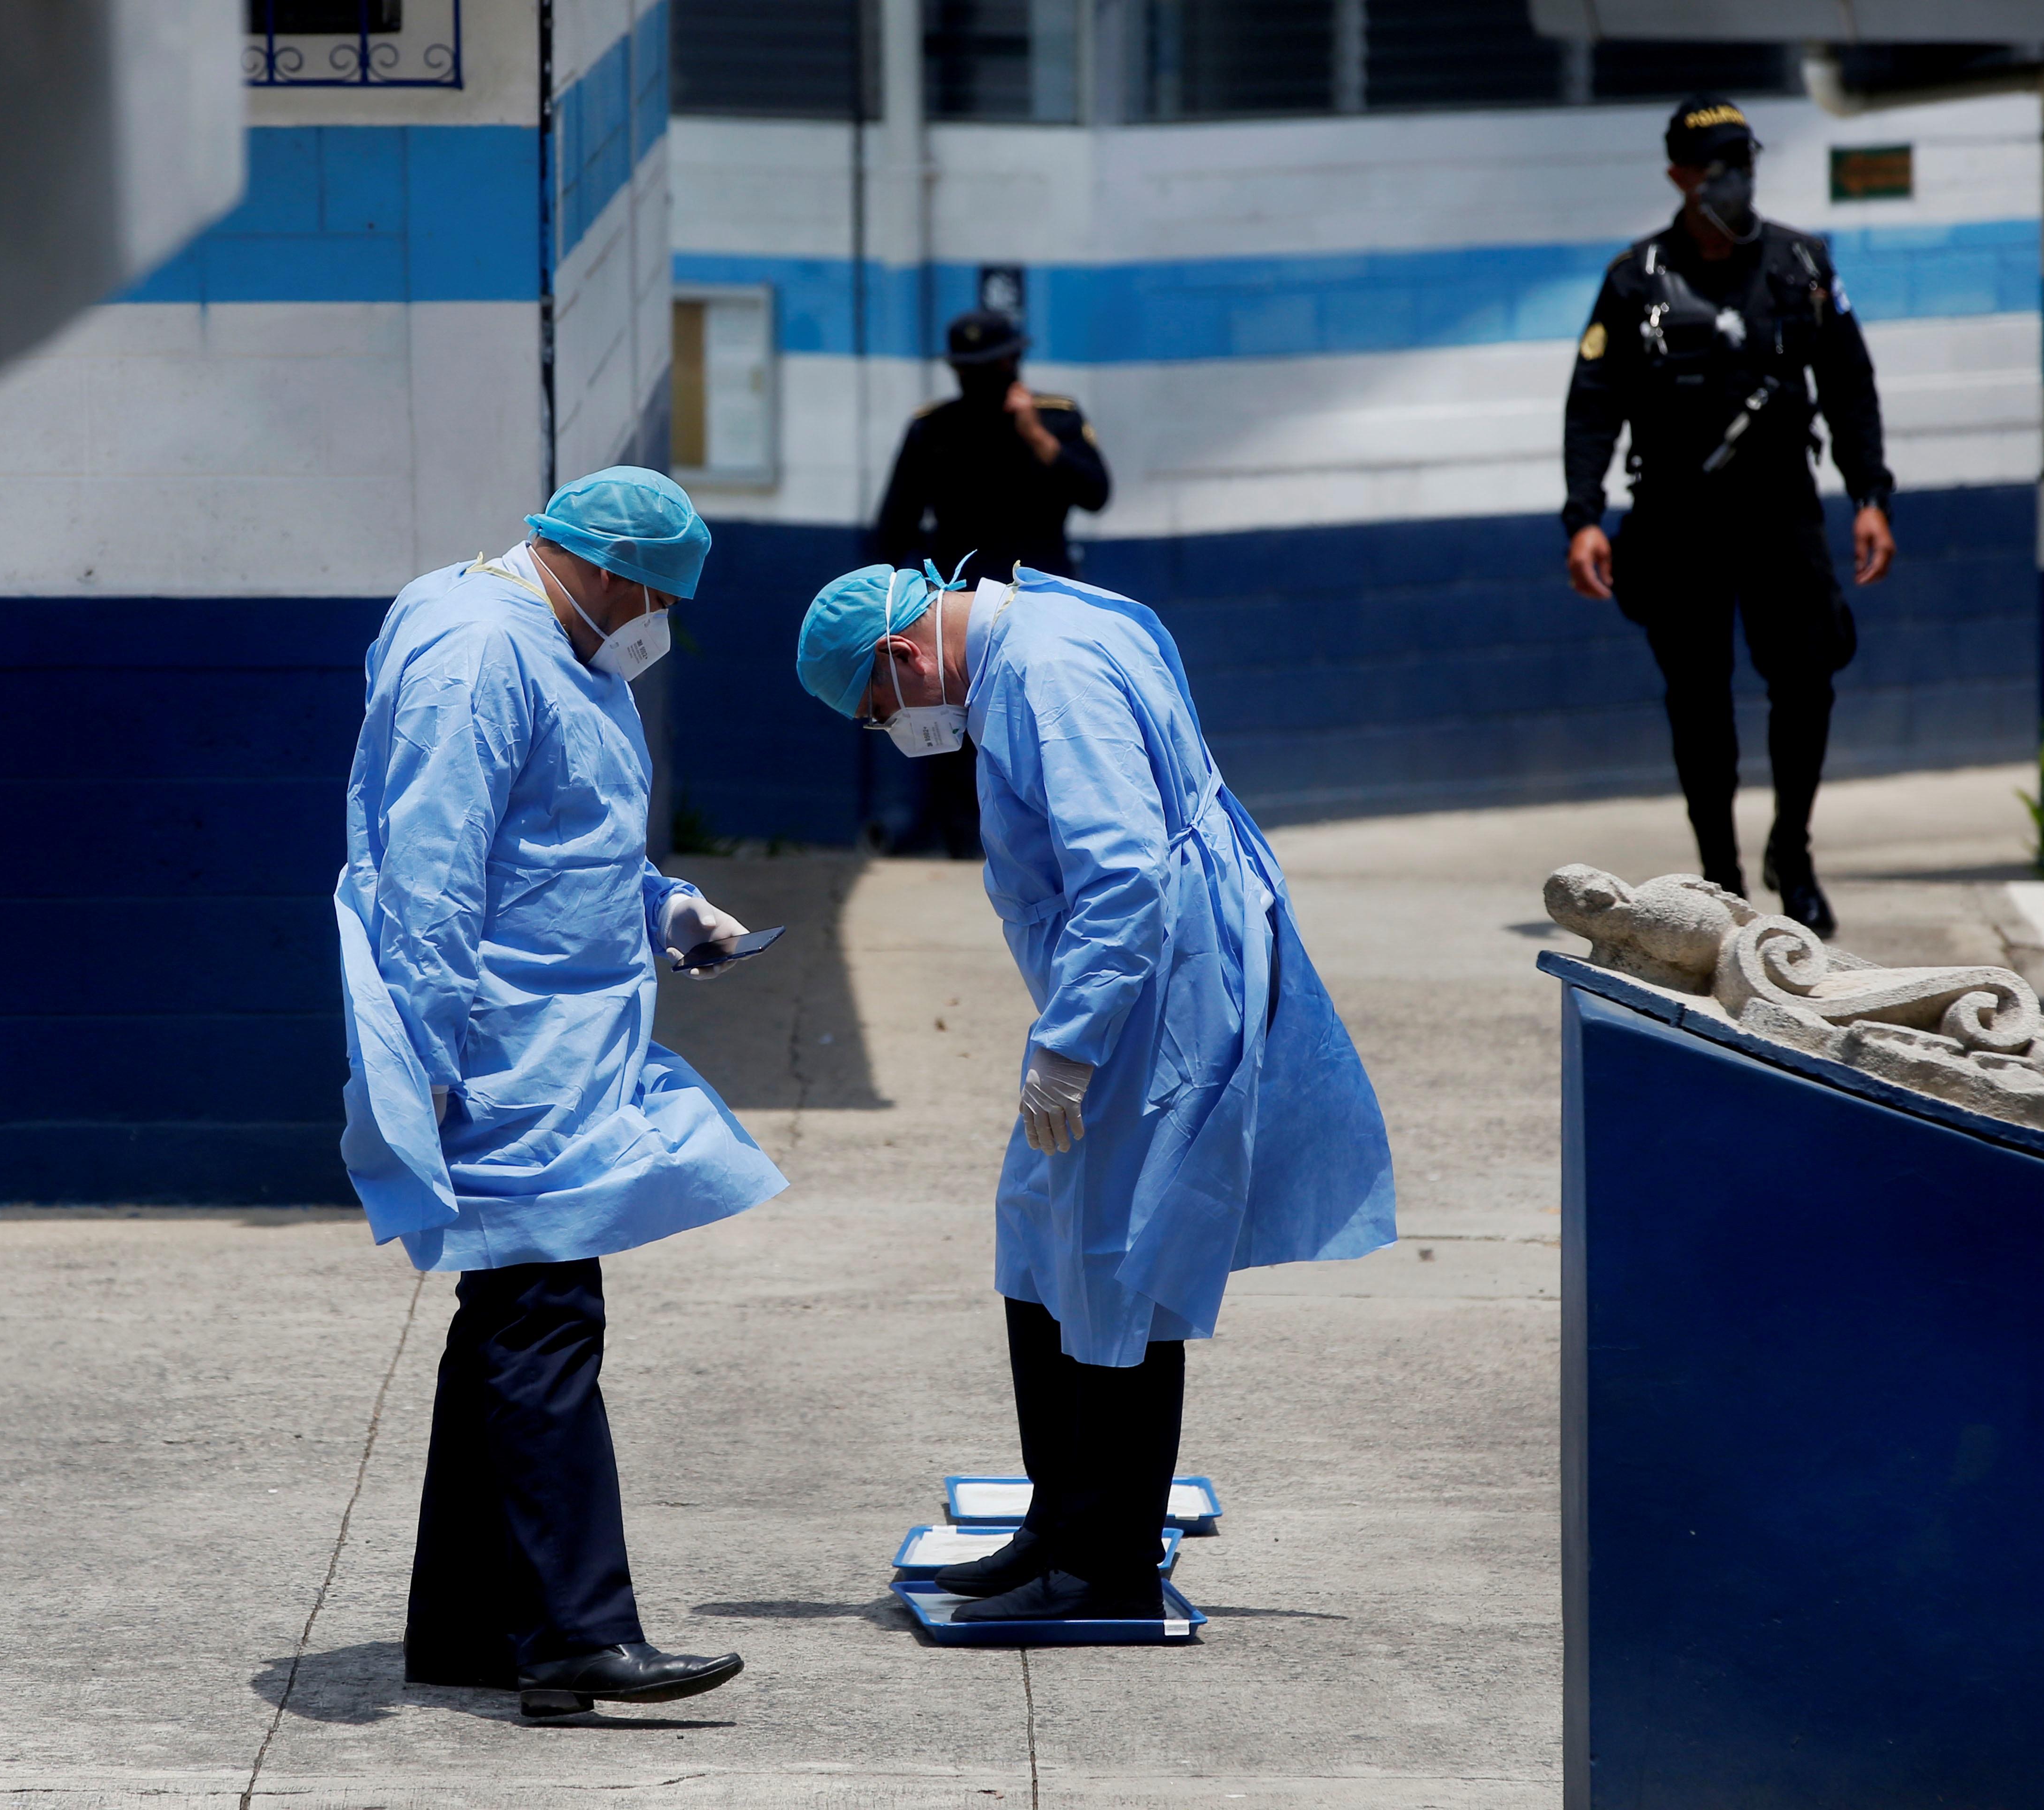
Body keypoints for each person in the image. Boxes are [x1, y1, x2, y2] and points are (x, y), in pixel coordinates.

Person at [792, 559, 1398, 1623]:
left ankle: (1104, 1549)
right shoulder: (1045, 625)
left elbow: (1123, 874)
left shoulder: (1045, 674)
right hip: (1140, 970)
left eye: (879, 710)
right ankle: (1059, 1518)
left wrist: (1071, 1043)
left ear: (900, 656)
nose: (895, 727)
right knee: (1042, 1221)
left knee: (1122, 1252)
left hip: (1153, 980)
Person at [334, 467, 786, 1717]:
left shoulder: (551, 640)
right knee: (544, 1320)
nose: (660, 624)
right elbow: (429, 871)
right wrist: (421, 1063)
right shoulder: (482, 650)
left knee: (508, 1317)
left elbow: (563, 825)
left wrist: (666, 906)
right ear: (600, 566)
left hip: (557, 1043)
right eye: (657, 598)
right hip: (497, 1044)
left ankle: (473, 1627)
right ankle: (580, 1634)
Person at [1561, 94, 1898, 937]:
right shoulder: (1634, 280)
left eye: (1745, 163)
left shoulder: (1803, 266)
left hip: (1782, 509)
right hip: (1678, 517)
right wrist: (1584, 517)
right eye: (1717, 166)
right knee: (1698, 700)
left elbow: (1850, 385)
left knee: (1807, 680)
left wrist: (1869, 497)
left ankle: (1794, 846)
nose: (1735, 180)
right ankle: (1719, 873)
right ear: (1679, 175)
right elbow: (1592, 404)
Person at [871, 307, 1111, 858]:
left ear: (1014, 359)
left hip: (1041, 604)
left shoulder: (1055, 419)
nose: (978, 377)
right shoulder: (934, 430)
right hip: (960, 616)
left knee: (1051, 724)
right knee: (959, 729)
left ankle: (1058, 842)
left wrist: (1034, 434)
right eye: (967, 367)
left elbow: (1096, 492)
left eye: (991, 363)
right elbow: (892, 531)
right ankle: (966, 845)